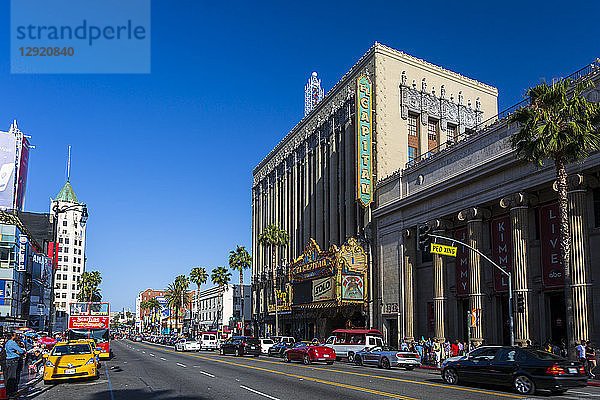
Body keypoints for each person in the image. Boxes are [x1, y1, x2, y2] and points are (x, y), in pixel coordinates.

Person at [5, 332, 25, 398]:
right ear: (12, 336)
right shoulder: (12, 343)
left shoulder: (7, 342)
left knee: (10, 376)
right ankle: (12, 392)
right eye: (15, 335)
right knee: (13, 377)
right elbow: (21, 351)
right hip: (13, 360)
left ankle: (9, 392)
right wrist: (19, 351)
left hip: (9, 360)